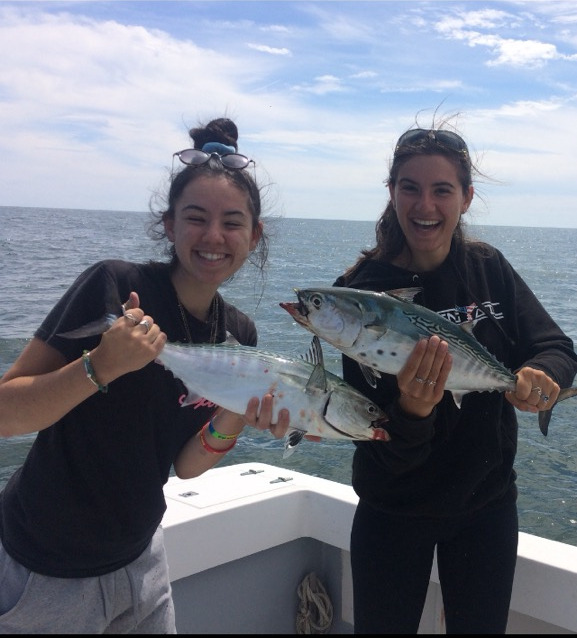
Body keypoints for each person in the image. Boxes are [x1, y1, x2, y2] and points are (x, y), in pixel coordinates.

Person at [0, 117, 289, 634]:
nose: (214, 237)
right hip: (45, 570)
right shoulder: (114, 285)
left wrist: (236, 414)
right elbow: (5, 412)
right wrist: (100, 366)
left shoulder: (238, 335)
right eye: (196, 218)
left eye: (232, 222)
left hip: (143, 561)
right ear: (169, 224)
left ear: (254, 234)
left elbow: (186, 467)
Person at [333, 123, 577, 634]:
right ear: (392, 193)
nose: (426, 204)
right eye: (410, 187)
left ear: (466, 198)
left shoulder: (488, 268)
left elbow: (556, 347)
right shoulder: (356, 297)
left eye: (442, 189)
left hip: (484, 509)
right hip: (391, 511)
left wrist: (542, 376)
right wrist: (413, 414)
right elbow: (370, 432)